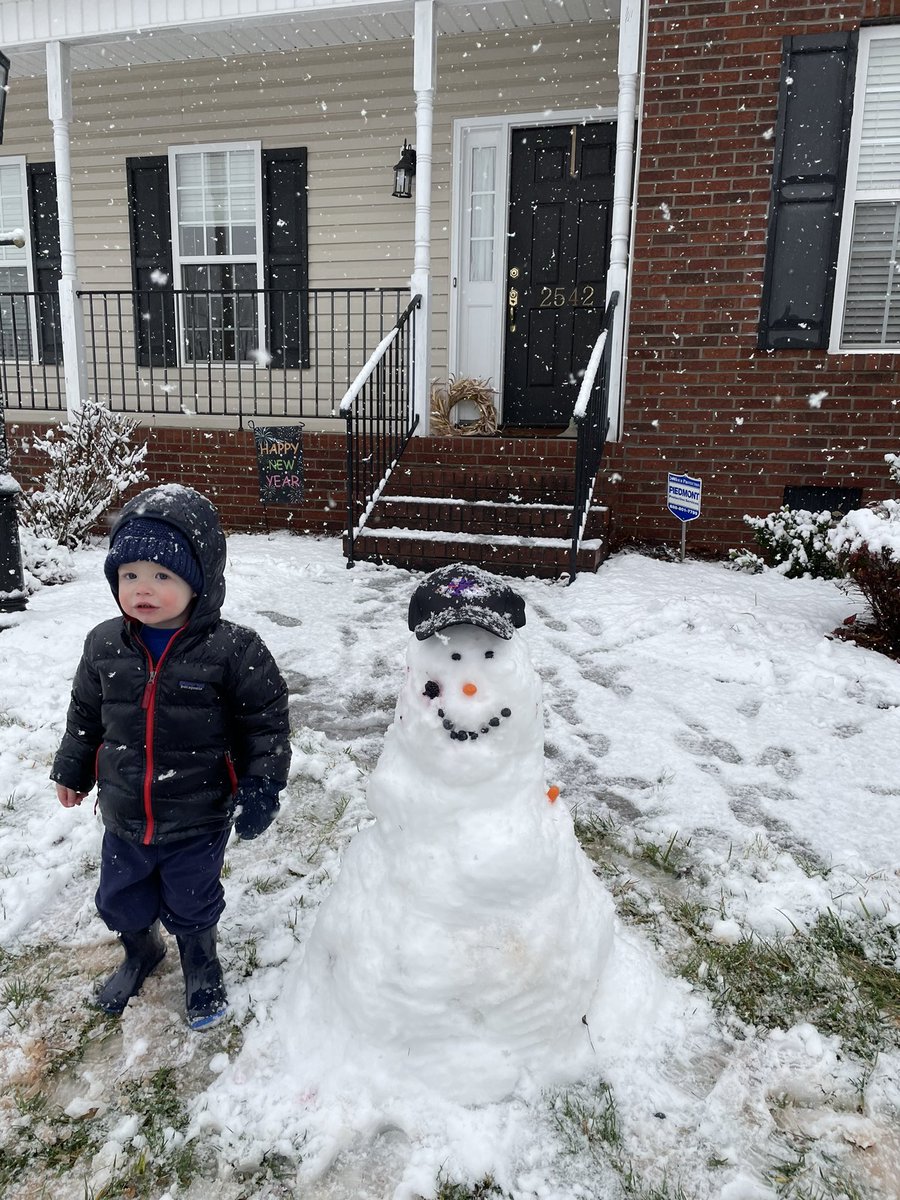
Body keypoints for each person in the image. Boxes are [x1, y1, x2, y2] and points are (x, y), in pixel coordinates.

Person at [51, 484, 291, 1030]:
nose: (142, 589)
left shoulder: (235, 650)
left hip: (199, 812)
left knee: (192, 898)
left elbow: (266, 724)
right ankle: (141, 951)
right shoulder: (104, 644)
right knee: (119, 897)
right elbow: (86, 712)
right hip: (124, 810)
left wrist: (262, 786)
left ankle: (200, 962)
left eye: (163, 575)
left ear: (199, 580)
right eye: (129, 575)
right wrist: (73, 765)